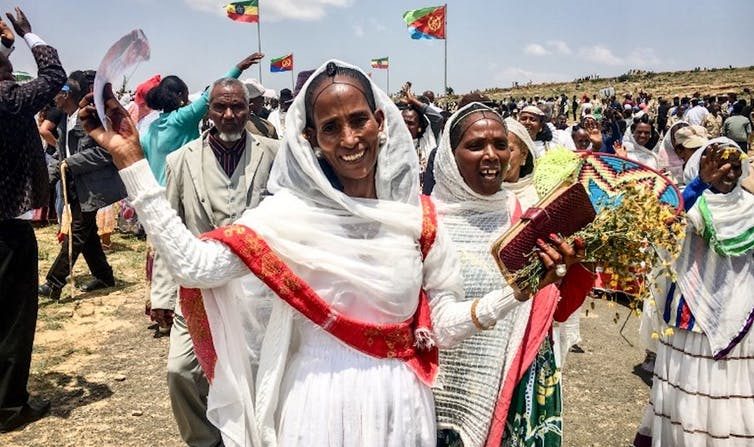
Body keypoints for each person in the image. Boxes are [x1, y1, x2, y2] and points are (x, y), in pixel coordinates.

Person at [82, 59, 585, 447]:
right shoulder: (287, 218)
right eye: (331, 127)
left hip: (404, 408)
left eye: (359, 120)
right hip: (315, 406)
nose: (349, 138)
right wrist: (131, 162)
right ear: (310, 140)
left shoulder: (419, 220)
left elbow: (442, 326)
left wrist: (514, 293)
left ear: (380, 123)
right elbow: (195, 265)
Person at [430, 103, 594, 447]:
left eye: (500, 144)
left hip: (517, 381)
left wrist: (568, 267)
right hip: (443, 396)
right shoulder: (428, 221)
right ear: (449, 155)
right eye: (476, 146)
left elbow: (555, 308)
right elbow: (429, 322)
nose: (492, 155)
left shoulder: (528, 217)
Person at [149, 77, 279, 447]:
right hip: (198, 291)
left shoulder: (274, 153)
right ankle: (204, 441)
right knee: (181, 372)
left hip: (257, 290)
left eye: (237, 106)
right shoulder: (181, 161)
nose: (229, 114)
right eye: (220, 107)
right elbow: (166, 233)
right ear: (208, 111)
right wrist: (161, 295)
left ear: (249, 108)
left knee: (257, 373)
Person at [634, 138, 754, 446]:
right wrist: (699, 184)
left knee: (729, 393)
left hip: (739, 319)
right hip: (691, 318)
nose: (727, 171)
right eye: (717, 163)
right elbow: (660, 227)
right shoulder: (687, 203)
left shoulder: (750, 208)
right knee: (687, 392)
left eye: (734, 164)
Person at [0, 7, 66, 432]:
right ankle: (9, 406)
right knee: (13, 316)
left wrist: (5, 46)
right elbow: (53, 73)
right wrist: (28, 34)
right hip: (6, 230)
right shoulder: (7, 98)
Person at [38, 70, 127, 300]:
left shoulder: (89, 117)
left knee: (77, 233)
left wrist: (70, 163)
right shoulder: (64, 121)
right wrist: (45, 181)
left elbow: (105, 152)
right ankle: (104, 275)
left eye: (58, 93)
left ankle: (53, 282)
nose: (54, 98)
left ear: (67, 95)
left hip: (91, 186)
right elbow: (60, 156)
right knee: (87, 235)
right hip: (74, 186)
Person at [141, 52, 263, 186]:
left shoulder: (150, 130)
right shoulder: (182, 118)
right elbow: (209, 94)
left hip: (158, 194)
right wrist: (238, 68)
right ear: (181, 95)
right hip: (183, 190)